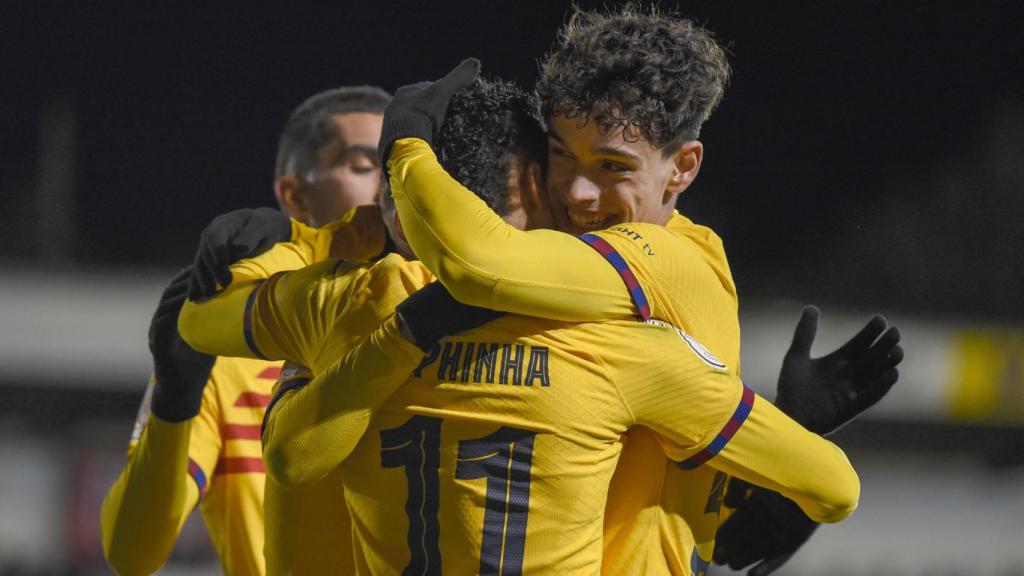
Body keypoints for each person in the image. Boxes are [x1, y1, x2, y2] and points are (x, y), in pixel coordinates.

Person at [181, 77, 862, 574]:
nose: (580, 196)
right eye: (562, 170)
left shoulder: (345, 301)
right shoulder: (628, 337)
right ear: (532, 189)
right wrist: (785, 437)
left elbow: (201, 329)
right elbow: (824, 491)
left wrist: (315, 240)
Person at [374, 7, 901, 574]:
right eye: (561, 153)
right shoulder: (567, 252)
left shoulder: (672, 261)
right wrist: (781, 447)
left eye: (612, 166)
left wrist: (408, 145)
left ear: (682, 169)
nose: (578, 190)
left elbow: (479, 264)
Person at [100, 85, 390, 575]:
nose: (387, 186)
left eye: (399, 165)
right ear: (294, 196)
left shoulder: (441, 322)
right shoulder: (226, 356)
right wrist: (176, 398)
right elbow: (131, 553)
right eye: (364, 166)